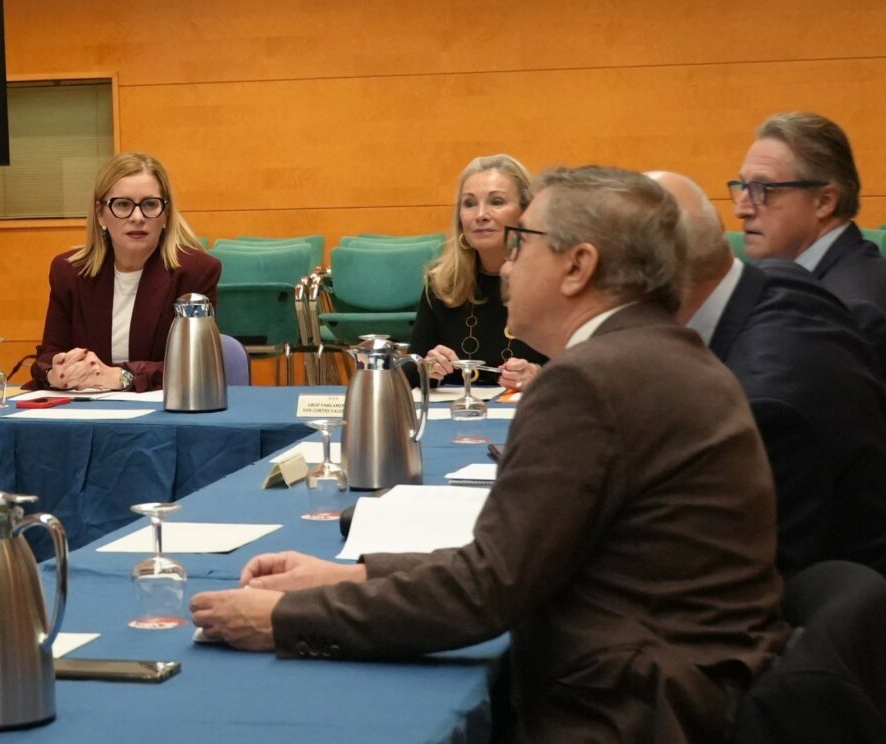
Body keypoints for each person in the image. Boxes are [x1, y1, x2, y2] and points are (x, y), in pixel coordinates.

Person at [191, 166, 789, 743]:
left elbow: (485, 591)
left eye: (523, 242)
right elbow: (521, 555)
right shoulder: (660, 353)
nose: (507, 263)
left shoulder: (591, 382)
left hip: (630, 707)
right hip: (689, 685)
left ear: (578, 266)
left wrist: (282, 621)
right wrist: (350, 574)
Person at [652, 169, 886, 620]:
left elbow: (734, 589)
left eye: (764, 189)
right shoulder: (779, 278)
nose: (742, 207)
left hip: (837, 629)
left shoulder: (764, 406)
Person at [730, 112, 886, 435]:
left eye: (763, 189)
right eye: (743, 187)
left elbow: (844, 444)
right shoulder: (793, 278)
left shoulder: (854, 310)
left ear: (824, 201)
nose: (741, 208)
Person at [29, 152, 220, 392]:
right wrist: (56, 373)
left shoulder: (196, 271)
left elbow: (196, 365)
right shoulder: (69, 271)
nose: (137, 217)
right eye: (122, 204)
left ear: (166, 213)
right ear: (100, 213)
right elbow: (49, 355)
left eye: (150, 204)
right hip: (85, 406)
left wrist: (121, 377)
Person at [408, 154, 547, 389]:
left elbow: (584, 371)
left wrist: (539, 376)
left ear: (526, 212)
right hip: (453, 411)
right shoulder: (443, 283)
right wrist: (429, 368)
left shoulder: (555, 284)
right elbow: (411, 371)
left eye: (496, 202)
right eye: (470, 204)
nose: (480, 215)